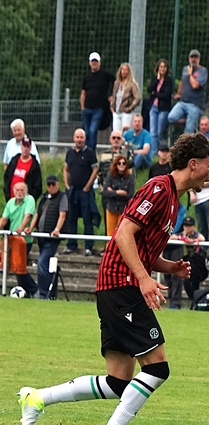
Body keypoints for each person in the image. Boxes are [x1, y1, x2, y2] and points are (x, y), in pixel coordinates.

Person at [17, 132, 209, 425]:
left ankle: (37, 398)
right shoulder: (158, 188)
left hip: (119, 286)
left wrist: (169, 267)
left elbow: (142, 248)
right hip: (121, 285)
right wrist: (144, 279)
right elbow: (123, 234)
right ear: (193, 164)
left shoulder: (174, 200)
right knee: (157, 368)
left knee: (119, 381)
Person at [29, 176, 68, 299]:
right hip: (42, 236)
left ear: (58, 184)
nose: (51, 187)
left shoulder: (62, 197)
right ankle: (46, 292)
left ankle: (44, 292)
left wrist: (57, 229)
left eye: (53, 184)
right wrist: (31, 228)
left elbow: (62, 214)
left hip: (51, 238)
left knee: (42, 262)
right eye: (49, 185)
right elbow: (37, 214)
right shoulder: (44, 197)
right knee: (44, 264)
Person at [62, 128, 99, 256]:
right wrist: (66, 184)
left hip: (85, 192)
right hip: (73, 191)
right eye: (77, 137)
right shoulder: (70, 153)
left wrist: (88, 186)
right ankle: (71, 245)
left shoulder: (89, 153)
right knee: (71, 219)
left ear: (85, 139)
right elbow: (66, 169)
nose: (79, 140)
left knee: (87, 219)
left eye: (81, 137)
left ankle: (88, 246)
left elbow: (95, 169)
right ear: (74, 138)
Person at [1, 181, 38, 296]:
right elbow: (4, 218)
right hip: (12, 239)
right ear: (13, 191)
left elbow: (28, 216)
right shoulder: (11, 202)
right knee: (14, 267)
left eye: (22, 190)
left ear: (26, 191)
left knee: (19, 267)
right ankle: (25, 292)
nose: (19, 192)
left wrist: (20, 229)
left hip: (24, 240)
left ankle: (34, 289)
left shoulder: (29, 199)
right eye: (17, 190)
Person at [168, 49, 208, 134]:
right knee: (171, 117)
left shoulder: (203, 71)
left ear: (199, 59)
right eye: (192, 57)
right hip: (183, 102)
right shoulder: (185, 69)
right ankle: (189, 120)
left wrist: (190, 74)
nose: (194, 59)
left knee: (188, 131)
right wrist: (178, 93)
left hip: (195, 104)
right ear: (189, 58)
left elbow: (195, 85)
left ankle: (191, 123)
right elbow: (182, 82)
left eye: (196, 57)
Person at [80, 53, 114, 151]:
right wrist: (82, 107)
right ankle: (85, 152)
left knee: (92, 131)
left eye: (96, 61)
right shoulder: (87, 77)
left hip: (98, 109)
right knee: (86, 132)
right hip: (87, 108)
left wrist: (111, 94)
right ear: (89, 63)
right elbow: (83, 93)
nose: (94, 63)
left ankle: (91, 152)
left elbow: (116, 80)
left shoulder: (105, 75)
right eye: (92, 61)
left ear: (99, 62)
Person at [101, 155, 135, 237]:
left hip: (123, 210)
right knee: (110, 234)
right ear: (115, 165)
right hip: (111, 208)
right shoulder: (110, 176)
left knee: (122, 233)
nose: (121, 165)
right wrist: (117, 192)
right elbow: (105, 192)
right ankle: (109, 245)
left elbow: (130, 194)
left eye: (124, 163)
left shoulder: (130, 178)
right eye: (119, 163)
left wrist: (112, 191)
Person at [147, 59, 174, 154]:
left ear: (167, 69)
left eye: (164, 67)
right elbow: (149, 89)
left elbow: (166, 95)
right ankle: (154, 152)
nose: (162, 69)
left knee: (159, 132)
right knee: (153, 132)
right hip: (153, 107)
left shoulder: (169, 80)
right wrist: (157, 81)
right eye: (161, 67)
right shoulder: (155, 78)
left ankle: (159, 151)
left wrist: (155, 94)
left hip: (163, 108)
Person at [4, 135, 42, 201]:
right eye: (24, 146)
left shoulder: (34, 165)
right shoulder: (14, 160)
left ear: (30, 148)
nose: (25, 149)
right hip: (11, 199)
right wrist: (7, 192)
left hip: (25, 201)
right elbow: (7, 176)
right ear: (21, 147)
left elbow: (38, 186)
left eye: (27, 146)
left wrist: (29, 199)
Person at [110, 63, 141, 133]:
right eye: (122, 69)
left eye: (126, 70)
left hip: (126, 113)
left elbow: (137, 98)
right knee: (116, 133)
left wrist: (130, 108)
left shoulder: (132, 84)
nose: (124, 71)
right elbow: (114, 95)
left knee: (126, 133)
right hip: (116, 112)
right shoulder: (116, 83)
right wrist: (112, 107)